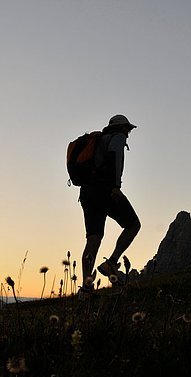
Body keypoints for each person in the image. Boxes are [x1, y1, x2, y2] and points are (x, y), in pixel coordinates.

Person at [78, 114, 141, 294]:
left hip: (86, 192)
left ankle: (86, 287)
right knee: (133, 225)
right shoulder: (117, 137)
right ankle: (111, 263)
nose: (128, 133)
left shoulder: (97, 141)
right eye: (128, 129)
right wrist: (115, 186)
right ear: (121, 127)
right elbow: (116, 157)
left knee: (93, 239)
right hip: (105, 190)